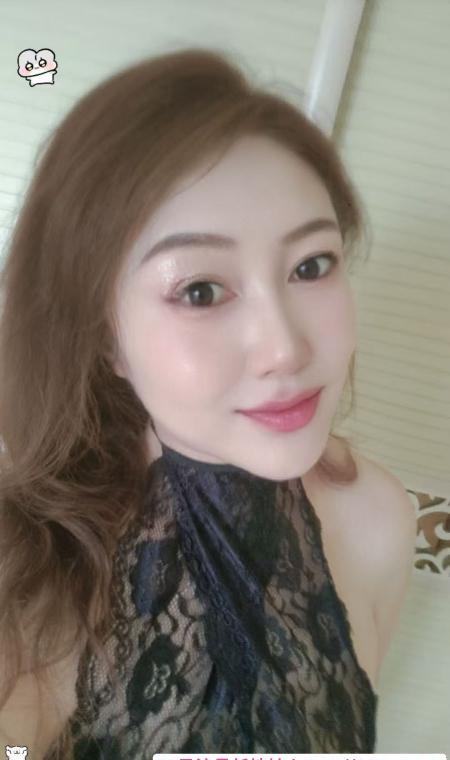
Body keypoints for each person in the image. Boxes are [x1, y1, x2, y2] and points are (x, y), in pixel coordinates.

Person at [0, 47, 417, 759]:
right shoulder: (31, 562)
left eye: (311, 265)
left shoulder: (379, 519)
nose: (285, 348)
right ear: (104, 336)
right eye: (200, 290)